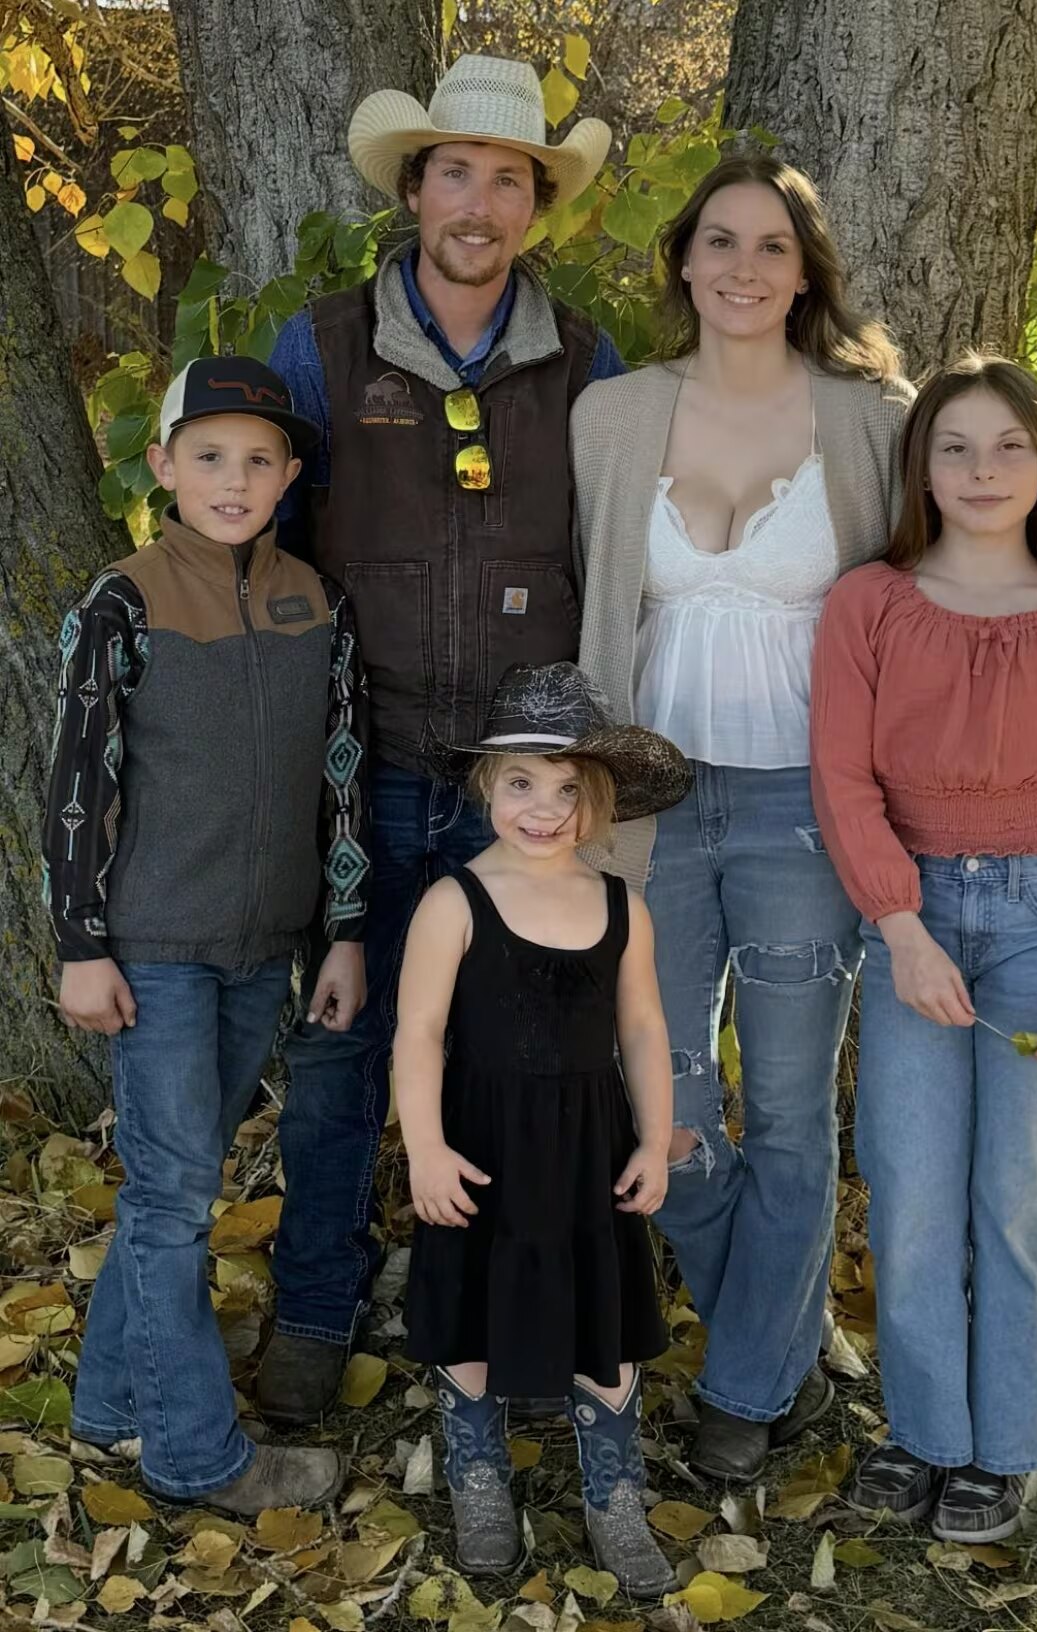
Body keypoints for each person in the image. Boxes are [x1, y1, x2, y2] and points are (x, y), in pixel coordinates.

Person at [261, 56, 629, 1423]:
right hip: (364, 773)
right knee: (343, 1053)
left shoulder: (586, 364)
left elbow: (622, 557)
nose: (479, 203)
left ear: (539, 205)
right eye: (455, 173)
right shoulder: (322, 348)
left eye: (509, 180)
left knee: (520, 1059)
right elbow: (264, 551)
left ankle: (495, 1318)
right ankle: (315, 1306)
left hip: (519, 788)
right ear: (414, 190)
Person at [570, 153, 913, 1479]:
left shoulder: (870, 422)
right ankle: (775, 1346)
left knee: (787, 1109)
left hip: (804, 813)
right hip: (648, 804)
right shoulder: (613, 417)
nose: (744, 268)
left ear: (807, 273)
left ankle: (744, 1394)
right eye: (720, 240)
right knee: (661, 1102)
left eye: (774, 246)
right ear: (683, 259)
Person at [810, 354, 1037, 1541]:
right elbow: (842, 781)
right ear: (920, 468)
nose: (981, 470)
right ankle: (923, 1433)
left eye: (1009, 446)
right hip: (908, 915)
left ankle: (1004, 1448)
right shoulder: (868, 604)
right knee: (909, 1189)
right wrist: (899, 928)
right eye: (953, 447)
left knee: (1017, 1196)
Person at [43, 357, 370, 1513]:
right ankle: (198, 1458)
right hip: (153, 948)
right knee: (175, 1199)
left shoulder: (318, 603)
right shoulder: (123, 602)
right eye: (210, 456)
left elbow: (342, 781)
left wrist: (341, 935)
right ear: (163, 465)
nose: (234, 480)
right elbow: (76, 780)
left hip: (263, 949)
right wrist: (81, 944)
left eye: (259, 460)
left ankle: (106, 1408)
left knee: (175, 1188)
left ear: (288, 477)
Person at [394, 662, 691, 1595]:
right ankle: (479, 1479)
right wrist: (426, 1149)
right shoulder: (454, 903)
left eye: (568, 790)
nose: (544, 809)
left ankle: (615, 1495)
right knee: (472, 1304)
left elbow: (643, 1027)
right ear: (488, 785)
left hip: (588, 1144)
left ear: (598, 802)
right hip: (480, 1144)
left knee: (603, 1308)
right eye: (522, 783)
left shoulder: (621, 905)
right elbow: (419, 1033)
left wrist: (653, 1140)